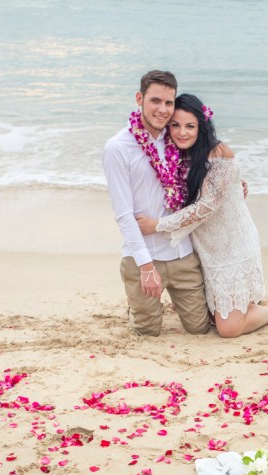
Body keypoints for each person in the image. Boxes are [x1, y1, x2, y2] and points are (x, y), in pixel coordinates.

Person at [136, 94, 268, 338]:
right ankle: (249, 308)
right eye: (175, 125)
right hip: (204, 247)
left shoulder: (219, 154)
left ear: (202, 125)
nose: (182, 133)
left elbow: (207, 206)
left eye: (190, 126)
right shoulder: (175, 156)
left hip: (232, 246)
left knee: (228, 329)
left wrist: (158, 225)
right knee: (208, 315)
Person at [102, 70, 210, 337]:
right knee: (147, 331)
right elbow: (124, 215)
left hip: (182, 253)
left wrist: (233, 186)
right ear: (140, 98)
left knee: (198, 328)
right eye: (155, 101)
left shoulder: (177, 137)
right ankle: (137, 304)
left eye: (169, 103)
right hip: (144, 258)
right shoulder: (118, 148)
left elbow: (206, 167)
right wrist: (146, 267)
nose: (163, 110)